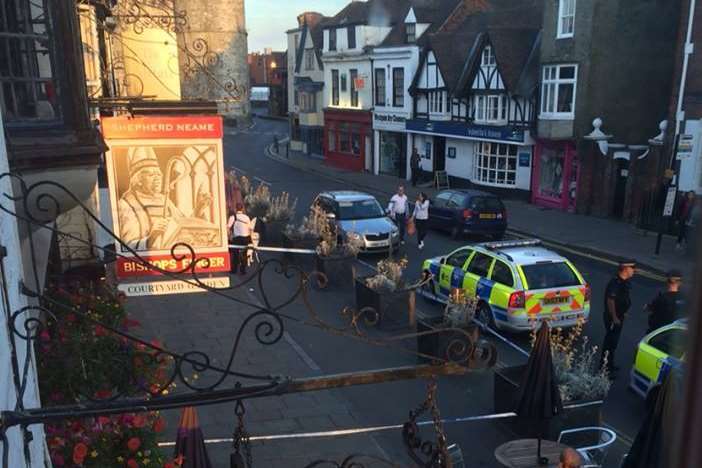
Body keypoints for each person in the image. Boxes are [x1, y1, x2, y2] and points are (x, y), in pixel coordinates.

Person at [117, 147, 185, 250]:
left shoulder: (164, 199)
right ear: (138, 180)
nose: (157, 178)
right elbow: (128, 247)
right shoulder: (126, 204)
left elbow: (182, 225)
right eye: (151, 174)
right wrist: (152, 237)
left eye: (159, 174)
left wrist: (199, 209)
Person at [600, 259, 636, 374]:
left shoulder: (625, 282)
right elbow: (611, 300)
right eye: (632, 268)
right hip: (613, 319)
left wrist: (623, 312)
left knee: (614, 343)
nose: (634, 270)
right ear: (625, 269)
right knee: (609, 343)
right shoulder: (616, 283)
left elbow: (623, 299)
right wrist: (615, 317)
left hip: (619, 317)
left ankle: (610, 365)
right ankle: (604, 368)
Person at [228, 204, 252, 275]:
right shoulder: (247, 217)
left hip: (237, 238)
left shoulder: (233, 217)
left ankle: (234, 270)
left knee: (235, 254)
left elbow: (228, 227)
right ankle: (243, 270)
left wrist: (230, 236)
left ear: (236, 209)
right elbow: (249, 227)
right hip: (246, 238)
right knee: (244, 254)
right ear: (242, 209)